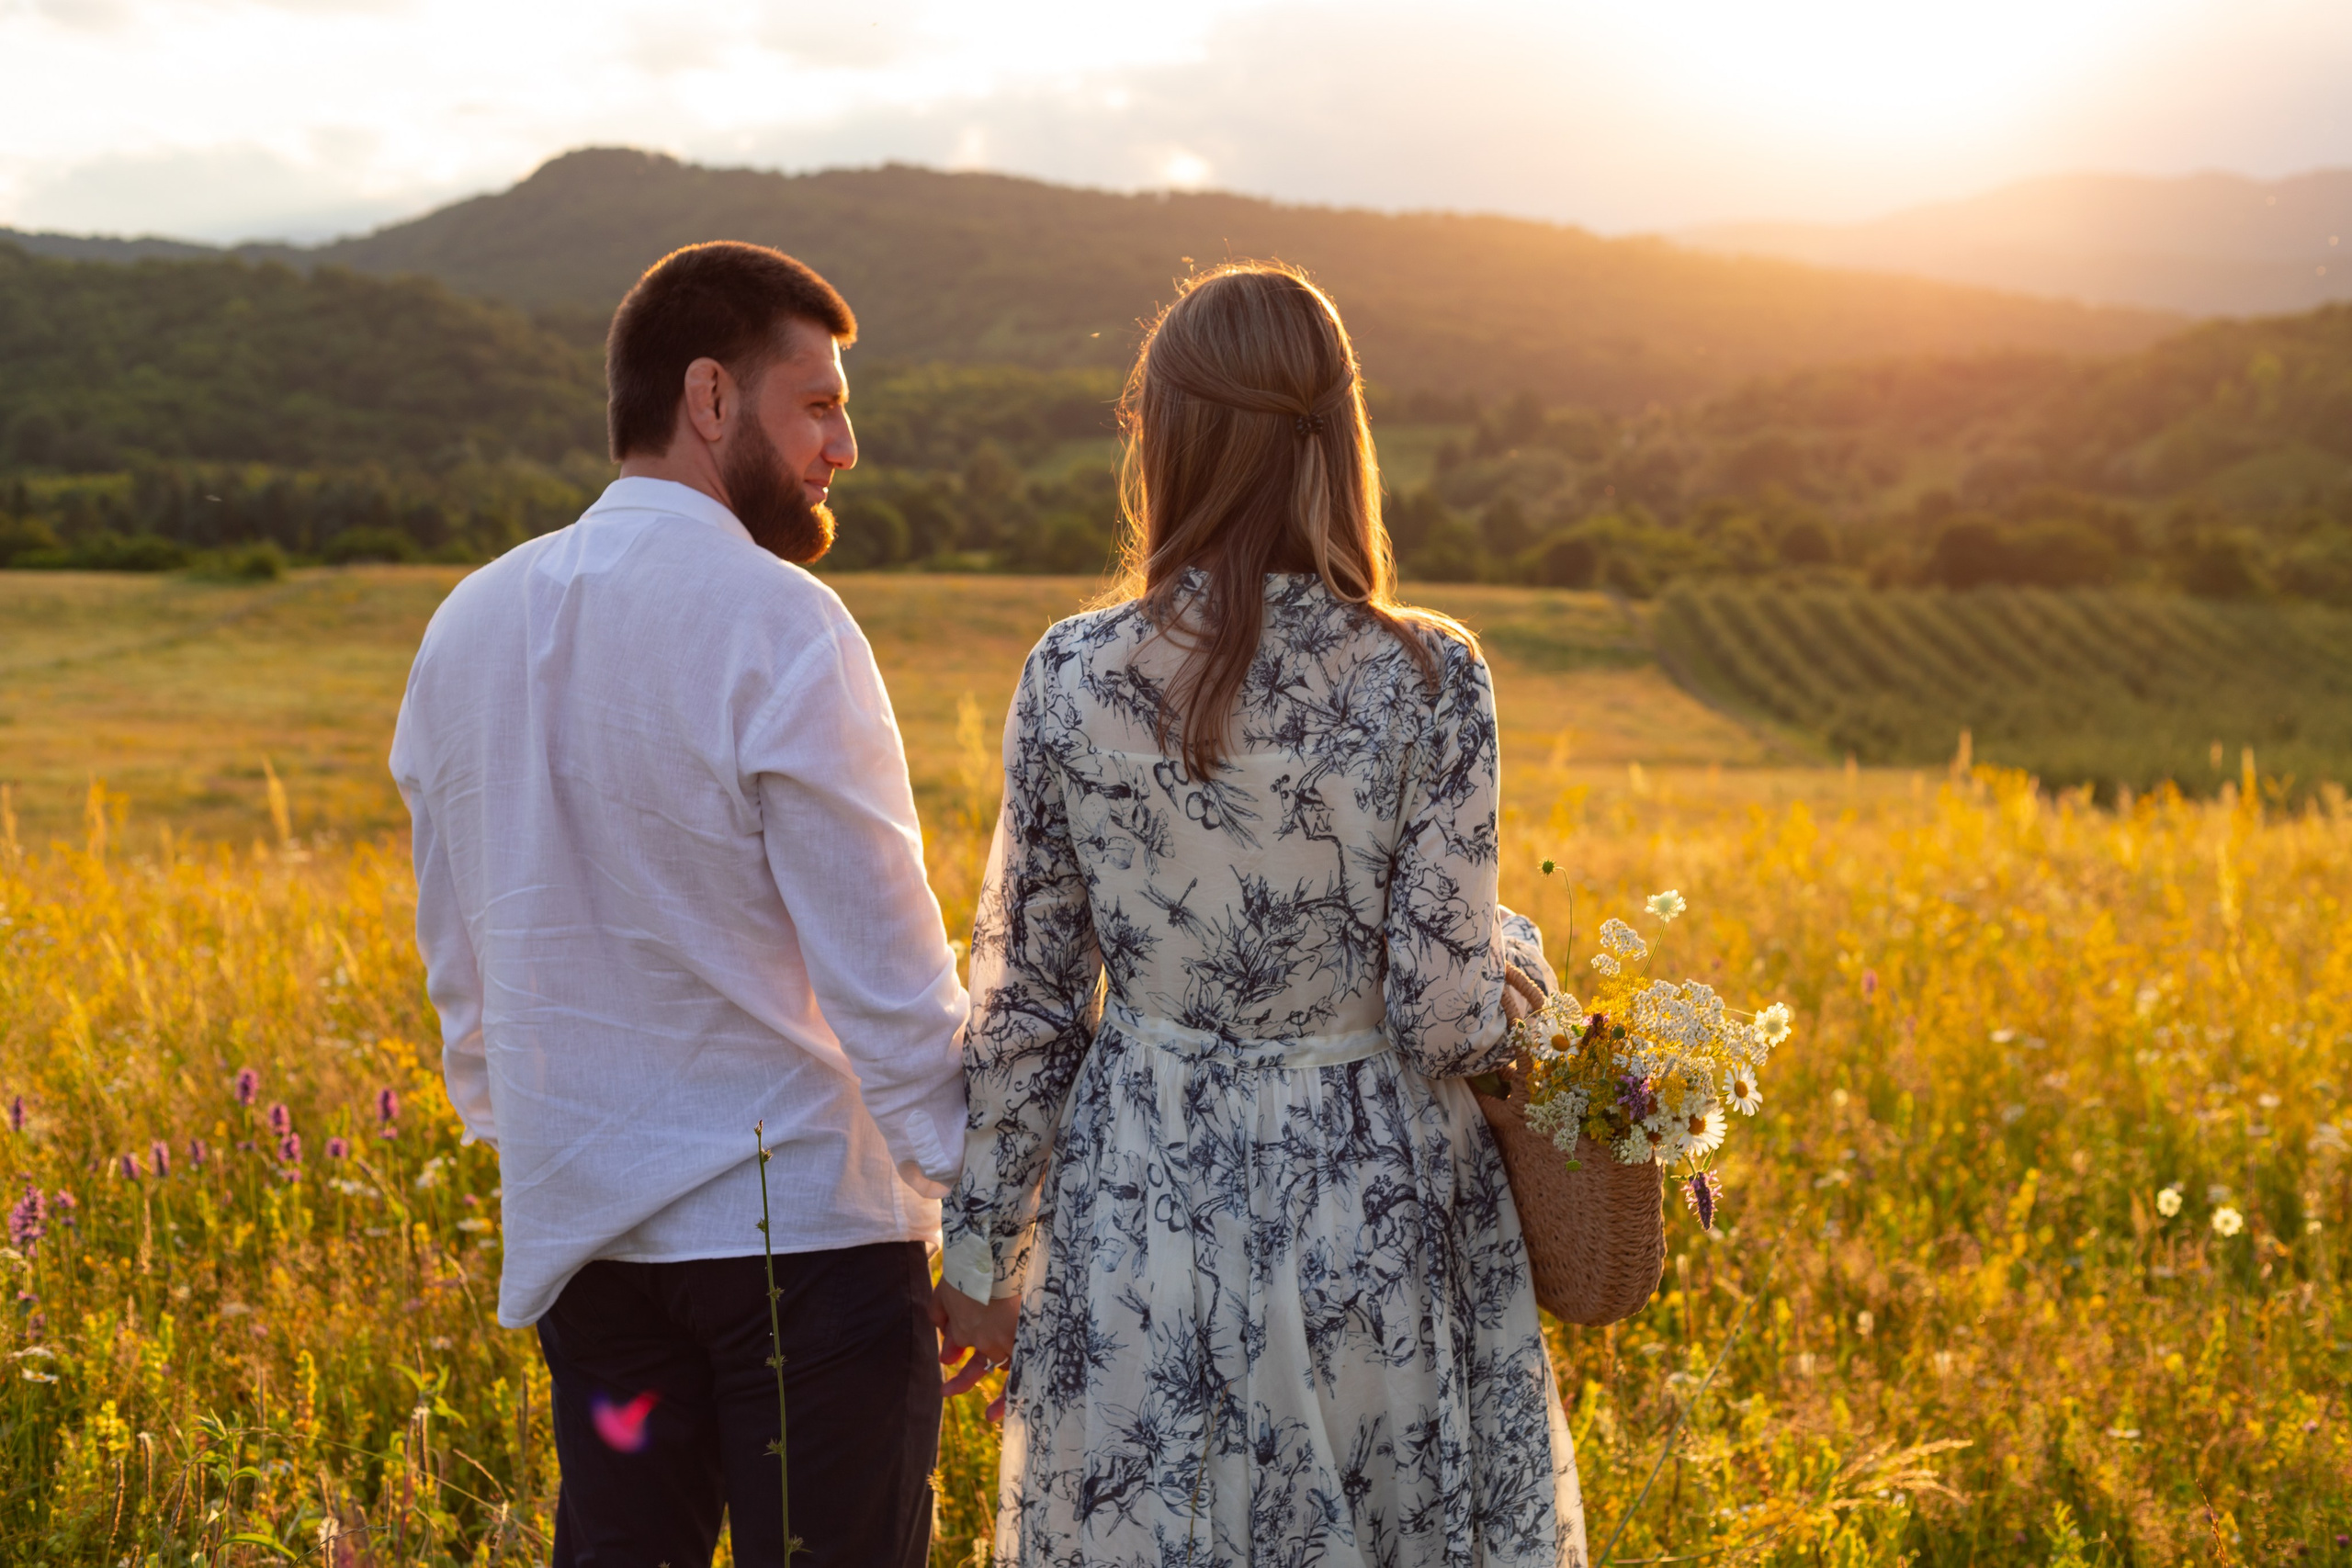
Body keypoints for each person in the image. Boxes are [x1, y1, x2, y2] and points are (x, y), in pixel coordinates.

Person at [933, 262, 1585, 1565]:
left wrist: (976, 1255)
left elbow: (1032, 1004)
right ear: (1339, 440)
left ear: (1165, 438)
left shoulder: (1070, 676)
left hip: (1143, 1203)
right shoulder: (1431, 676)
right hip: (1380, 1214)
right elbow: (1446, 1016)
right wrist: (1520, 960)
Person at [389, 241, 966, 1568]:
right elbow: (890, 990)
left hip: (593, 1256)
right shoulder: (785, 624)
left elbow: (461, 970)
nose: (846, 445)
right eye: (816, 403)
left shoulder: (462, 626)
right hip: (808, 1263)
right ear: (711, 397)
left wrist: (538, 1138)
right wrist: (989, 1230)